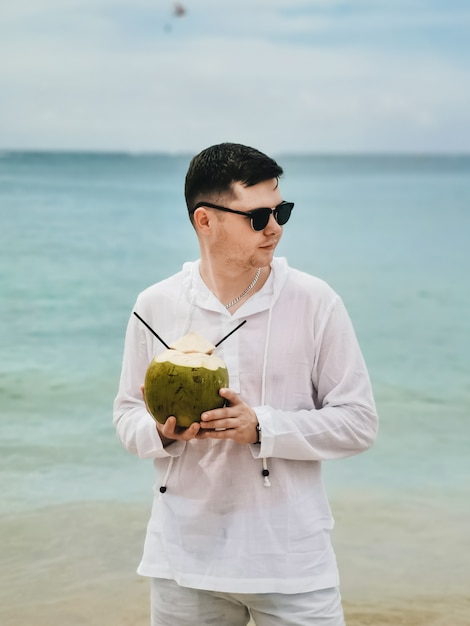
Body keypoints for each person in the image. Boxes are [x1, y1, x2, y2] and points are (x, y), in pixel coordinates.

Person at [113, 142, 378, 626]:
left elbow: (359, 423)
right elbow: (126, 415)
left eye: (282, 212)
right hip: (182, 564)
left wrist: (262, 426)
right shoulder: (155, 305)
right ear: (205, 221)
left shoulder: (315, 301)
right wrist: (164, 432)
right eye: (258, 217)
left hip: (291, 563)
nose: (275, 228)